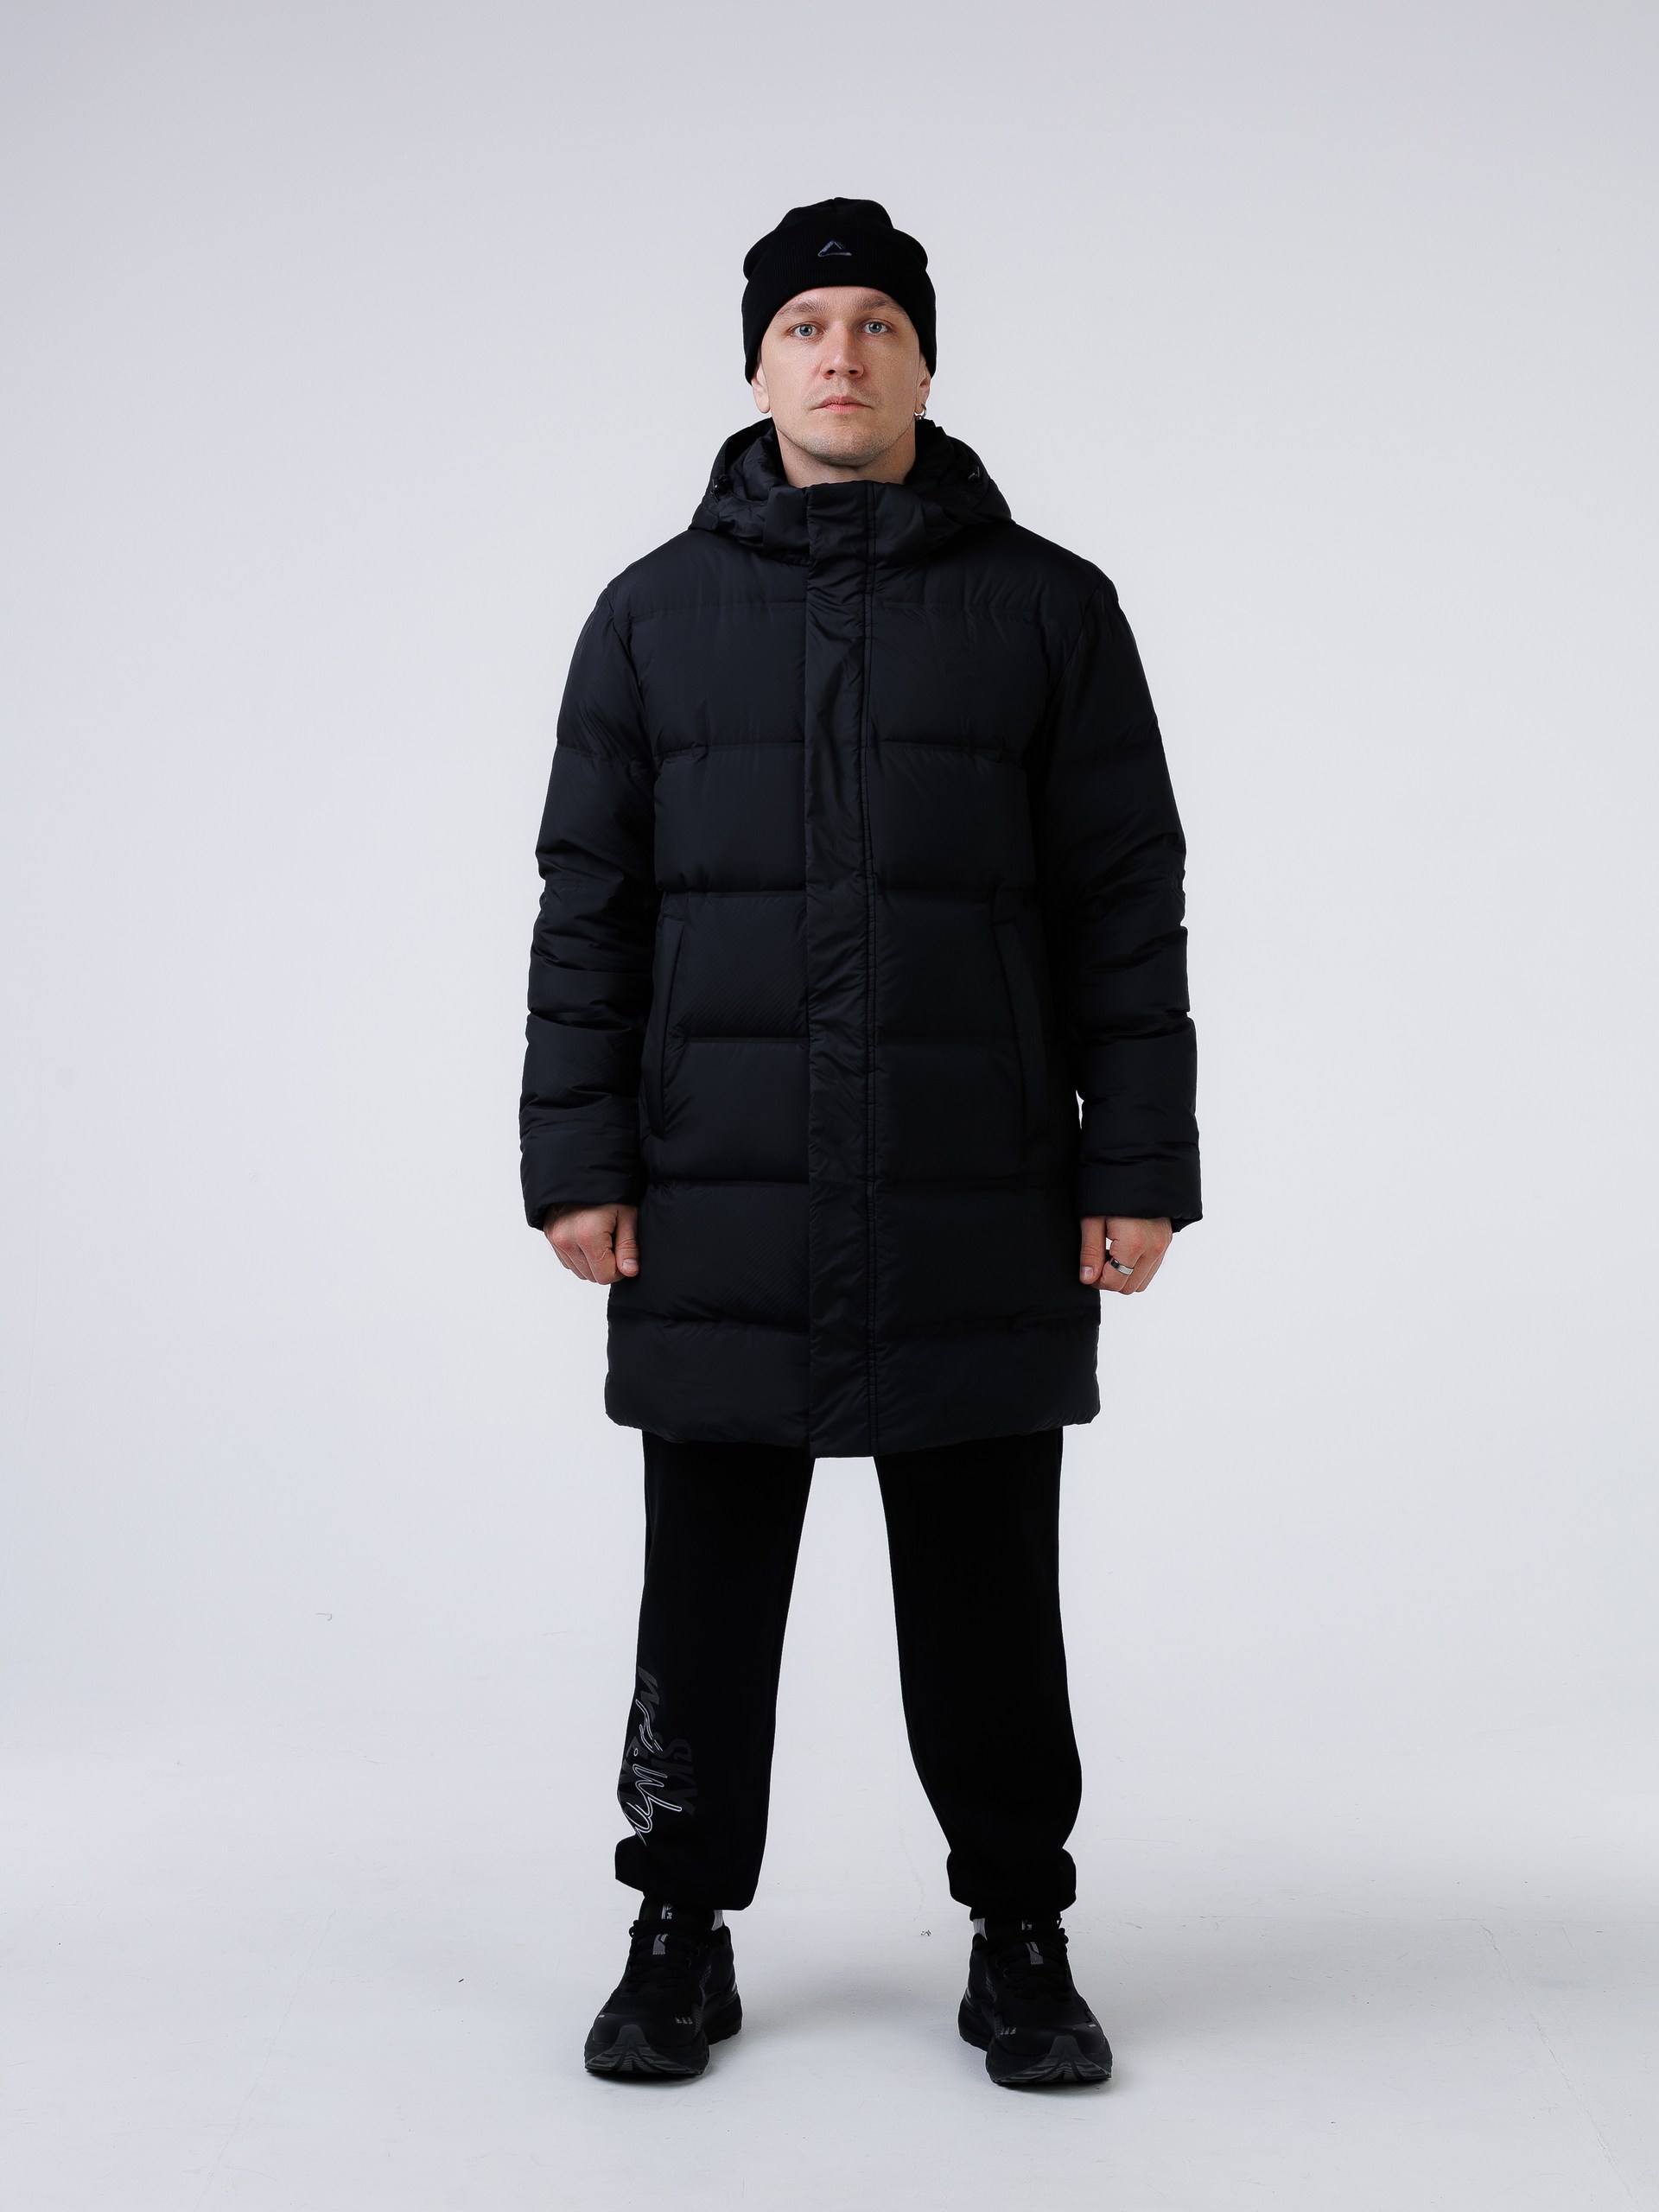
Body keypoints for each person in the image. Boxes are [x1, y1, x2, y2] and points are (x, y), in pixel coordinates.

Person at [519, 197, 1200, 2088]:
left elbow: (1122, 901)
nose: (842, 354)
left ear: (922, 360)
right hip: (716, 1187)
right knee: (705, 1591)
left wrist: (1136, 1163)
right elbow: (591, 907)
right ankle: (677, 1929)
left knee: (987, 1596)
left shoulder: (1051, 608)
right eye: (807, 324)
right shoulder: (650, 615)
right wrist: (579, 1157)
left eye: (877, 324)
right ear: (757, 365)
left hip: (976, 1185)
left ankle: (1020, 1933)